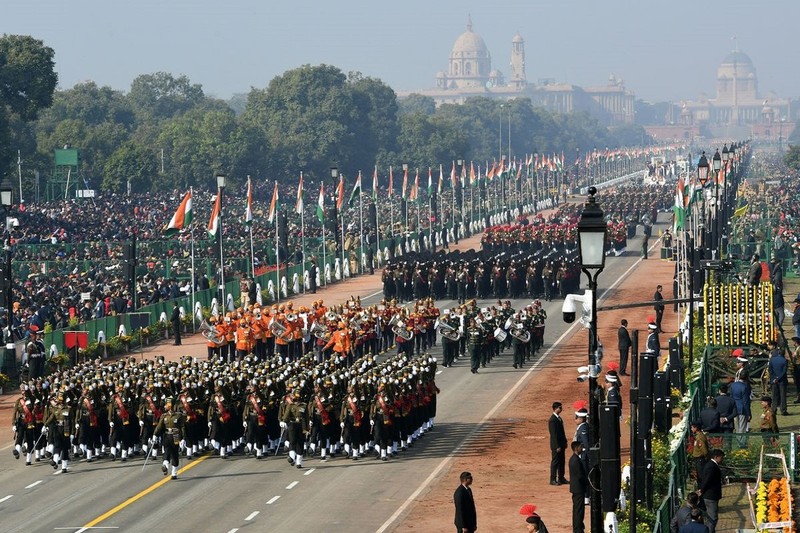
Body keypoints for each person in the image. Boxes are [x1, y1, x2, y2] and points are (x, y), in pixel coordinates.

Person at [153, 397, 185, 480]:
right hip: (167, 435)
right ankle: (165, 466)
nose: (165, 406)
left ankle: (174, 473)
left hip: (175, 435)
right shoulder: (164, 416)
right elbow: (159, 426)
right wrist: (155, 434)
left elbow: (182, 427)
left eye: (166, 404)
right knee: (166, 451)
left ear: (170, 405)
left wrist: (183, 438)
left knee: (174, 453)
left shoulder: (178, 415)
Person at [697, 449, 724, 533]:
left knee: (711, 517)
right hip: (711, 496)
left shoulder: (711, 465)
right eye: (721, 457)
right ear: (716, 457)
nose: (722, 459)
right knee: (713, 518)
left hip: (711, 495)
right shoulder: (711, 467)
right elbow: (707, 480)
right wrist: (702, 490)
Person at [569, 441, 587, 533]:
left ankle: (579, 526)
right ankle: (578, 528)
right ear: (576, 448)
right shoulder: (575, 460)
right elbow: (580, 476)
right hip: (578, 488)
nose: (582, 448)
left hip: (577, 488)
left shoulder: (574, 459)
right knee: (578, 510)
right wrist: (587, 483)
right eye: (580, 447)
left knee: (578, 509)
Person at [548, 402, 568, 485]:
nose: (561, 409)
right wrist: (557, 446)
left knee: (562, 461)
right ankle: (552, 479)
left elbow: (562, 432)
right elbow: (553, 434)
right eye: (560, 407)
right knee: (555, 462)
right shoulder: (552, 420)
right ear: (556, 408)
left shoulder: (559, 418)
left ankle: (561, 478)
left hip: (561, 444)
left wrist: (565, 441)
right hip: (556, 445)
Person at [767, 341, 789, 416]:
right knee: (783, 396)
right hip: (782, 380)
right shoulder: (785, 361)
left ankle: (774, 409)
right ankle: (783, 410)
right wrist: (778, 378)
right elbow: (784, 371)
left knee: (774, 395)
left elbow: (770, 370)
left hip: (773, 380)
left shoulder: (772, 360)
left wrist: (774, 378)